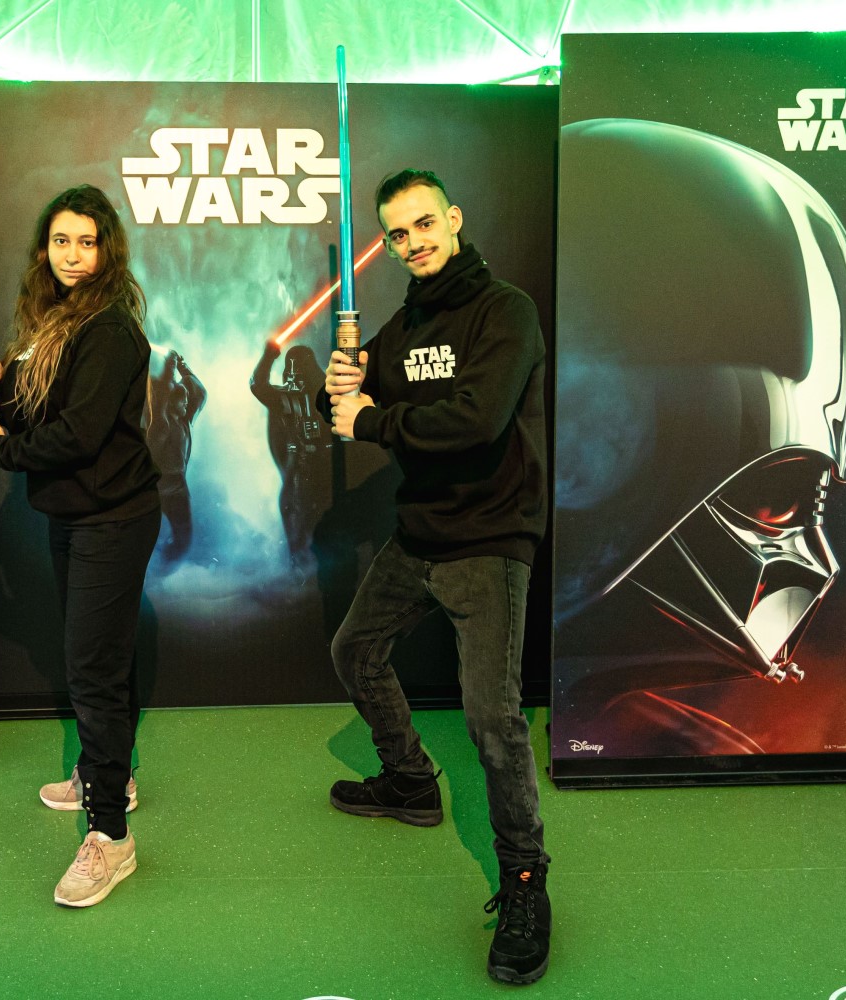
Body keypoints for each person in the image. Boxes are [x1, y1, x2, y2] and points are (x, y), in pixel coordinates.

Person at [322, 169, 551, 984]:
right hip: (420, 535)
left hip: (490, 538)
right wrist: (337, 388)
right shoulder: (403, 326)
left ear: (453, 219)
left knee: (492, 720)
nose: (414, 241)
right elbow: (350, 403)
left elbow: (477, 420)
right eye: (398, 233)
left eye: (424, 224)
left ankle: (524, 881)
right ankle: (411, 780)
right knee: (355, 651)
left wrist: (372, 418)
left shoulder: (506, 311)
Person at [0, 183, 160, 909]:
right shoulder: (55, 323)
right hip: (76, 515)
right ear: (44, 249)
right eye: (60, 241)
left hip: (113, 517)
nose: (73, 255)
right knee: (102, 658)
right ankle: (110, 773)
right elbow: (35, 411)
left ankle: (110, 834)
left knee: (92, 669)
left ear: (107, 249)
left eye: (86, 241)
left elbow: (76, 435)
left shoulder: (108, 329)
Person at [250, 341, 329, 571]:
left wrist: (268, 356)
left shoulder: (322, 394)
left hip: (318, 467)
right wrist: (268, 357)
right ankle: (300, 564)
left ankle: (307, 564)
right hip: (301, 468)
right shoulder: (289, 396)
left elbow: (258, 385)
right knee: (299, 518)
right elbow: (259, 385)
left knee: (312, 521)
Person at [145, 345, 207, 565]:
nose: (187, 401)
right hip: (154, 490)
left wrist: (182, 366)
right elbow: (161, 397)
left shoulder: (184, 421)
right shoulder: (161, 425)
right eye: (182, 398)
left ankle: (162, 568)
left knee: (183, 540)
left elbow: (200, 392)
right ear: (171, 401)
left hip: (176, 489)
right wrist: (170, 368)